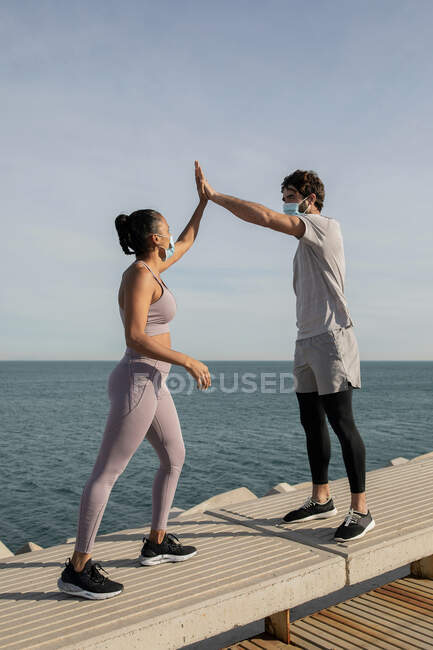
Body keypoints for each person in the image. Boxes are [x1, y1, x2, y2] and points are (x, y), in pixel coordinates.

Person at [195, 160, 375, 542]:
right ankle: (321, 498)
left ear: (310, 200)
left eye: (290, 199)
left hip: (332, 338)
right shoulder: (303, 245)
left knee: (342, 424)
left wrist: (215, 196)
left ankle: (361, 509)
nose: (284, 206)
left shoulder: (324, 227)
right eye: (283, 200)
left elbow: (263, 218)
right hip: (306, 339)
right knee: (311, 423)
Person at [57, 162, 212, 599]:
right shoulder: (139, 276)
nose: (171, 235)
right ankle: (77, 568)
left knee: (175, 455)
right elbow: (136, 336)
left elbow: (188, 240)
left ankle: (157, 542)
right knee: (106, 474)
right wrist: (186, 359)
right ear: (154, 238)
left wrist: (204, 202)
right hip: (137, 382)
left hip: (152, 384)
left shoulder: (156, 267)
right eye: (166, 228)